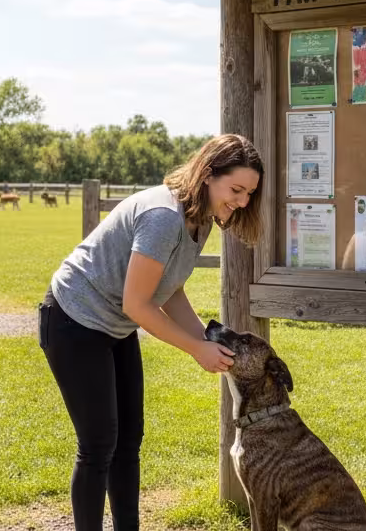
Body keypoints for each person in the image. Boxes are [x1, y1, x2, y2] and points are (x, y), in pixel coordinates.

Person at [38, 134, 264, 531]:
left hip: (114, 326)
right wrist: (195, 349)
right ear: (208, 175)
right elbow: (138, 304)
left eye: (249, 193)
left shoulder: (201, 217)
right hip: (73, 320)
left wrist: (205, 340)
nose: (243, 202)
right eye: (237, 189)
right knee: (98, 447)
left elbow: (168, 288)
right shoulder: (164, 216)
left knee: (128, 444)